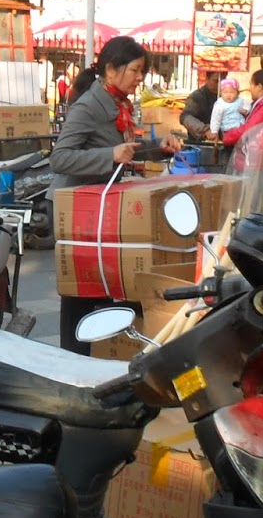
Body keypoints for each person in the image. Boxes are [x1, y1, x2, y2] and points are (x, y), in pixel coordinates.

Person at [51, 37, 184, 354]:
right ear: (111, 69)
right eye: (135, 70)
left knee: (100, 286)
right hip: (76, 210)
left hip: (99, 207)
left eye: (142, 71)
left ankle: (99, 352)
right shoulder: (89, 106)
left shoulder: (117, 103)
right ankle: (74, 354)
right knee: (81, 290)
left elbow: (126, 150)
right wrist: (109, 155)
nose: (140, 78)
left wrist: (158, 147)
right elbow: (60, 158)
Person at [223, 69, 263, 148]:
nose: (249, 88)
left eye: (251, 84)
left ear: (259, 87)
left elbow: (249, 129)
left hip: (262, 152)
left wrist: (226, 137)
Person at [179, 72, 219, 140]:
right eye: (216, 81)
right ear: (207, 79)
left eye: (223, 81)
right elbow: (185, 117)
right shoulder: (197, 96)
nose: (219, 84)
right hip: (199, 141)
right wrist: (205, 130)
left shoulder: (226, 97)